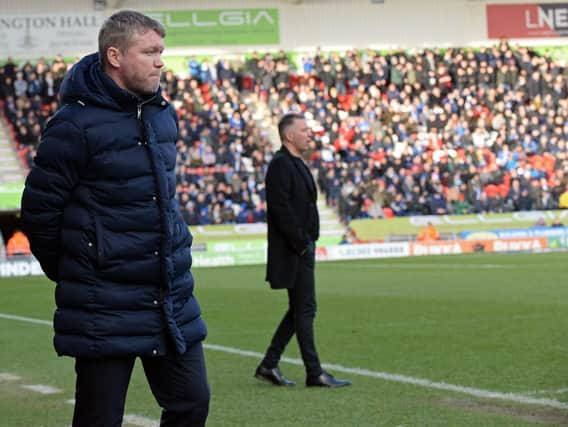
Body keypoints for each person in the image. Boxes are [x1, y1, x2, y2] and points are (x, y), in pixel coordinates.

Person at [20, 11, 209, 427]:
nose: (161, 61)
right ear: (115, 56)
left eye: (162, 51)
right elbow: (39, 211)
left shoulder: (163, 114)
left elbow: (166, 201)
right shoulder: (73, 124)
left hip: (168, 297)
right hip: (102, 302)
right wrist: (80, 265)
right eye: (151, 51)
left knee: (191, 404)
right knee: (99, 419)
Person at [254, 113, 351, 388]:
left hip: (301, 248)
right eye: (304, 130)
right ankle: (314, 371)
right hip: (293, 251)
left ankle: (269, 364)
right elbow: (281, 209)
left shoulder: (293, 163)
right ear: (289, 136)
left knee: (299, 309)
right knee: (305, 308)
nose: (310, 134)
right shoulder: (281, 165)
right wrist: (302, 244)